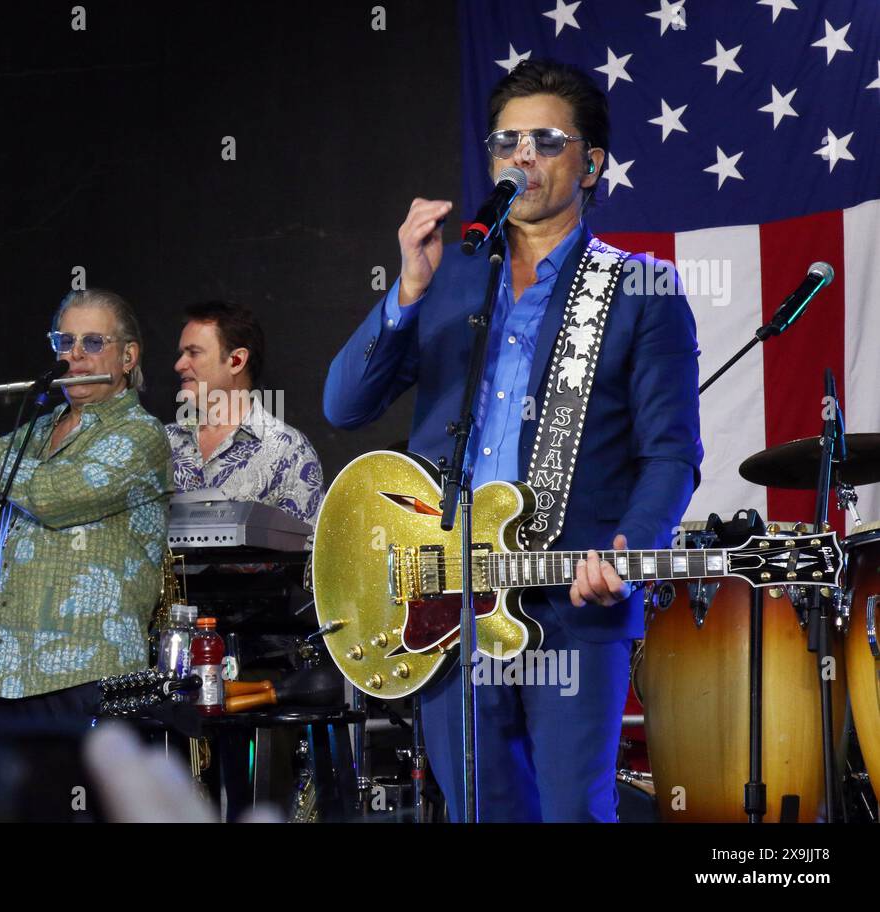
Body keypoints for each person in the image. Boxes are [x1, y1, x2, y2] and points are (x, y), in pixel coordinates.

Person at [323, 60, 701, 822]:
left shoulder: (636, 288)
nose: (520, 157)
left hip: (570, 601)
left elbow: (672, 454)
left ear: (590, 164)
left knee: (570, 811)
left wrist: (628, 549)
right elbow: (344, 404)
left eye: (545, 140)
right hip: (446, 599)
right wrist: (407, 291)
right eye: (505, 142)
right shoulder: (450, 275)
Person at [0, 289, 173, 721]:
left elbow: (49, 496)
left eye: (93, 343)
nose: (75, 355)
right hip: (11, 672)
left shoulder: (141, 435)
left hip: (89, 674)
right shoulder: (41, 428)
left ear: (128, 357)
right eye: (64, 342)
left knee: (81, 791)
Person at [167, 301, 323, 524]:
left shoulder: (289, 452)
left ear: (236, 360)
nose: (179, 364)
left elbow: (307, 552)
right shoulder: (162, 442)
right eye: (182, 353)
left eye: (193, 353)